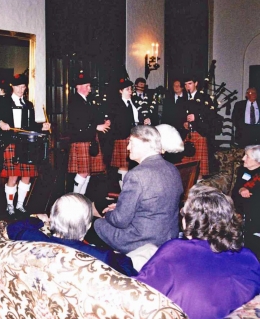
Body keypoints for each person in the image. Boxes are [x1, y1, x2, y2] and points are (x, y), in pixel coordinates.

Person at [135, 186, 260, 319]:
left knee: (139, 254)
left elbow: (136, 295)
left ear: (189, 221)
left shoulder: (175, 251)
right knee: (148, 249)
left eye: (184, 213)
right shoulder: (249, 257)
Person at [93, 125, 183, 254]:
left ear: (145, 145)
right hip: (168, 237)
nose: (128, 147)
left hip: (141, 241)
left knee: (97, 224)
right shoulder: (172, 168)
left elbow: (120, 221)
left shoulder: (136, 175)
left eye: (131, 143)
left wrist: (106, 214)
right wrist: (119, 207)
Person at [4, 193, 137, 276]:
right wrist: (119, 256)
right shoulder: (101, 255)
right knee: (148, 251)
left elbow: (11, 228)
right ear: (88, 226)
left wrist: (39, 220)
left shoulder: (31, 237)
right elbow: (128, 274)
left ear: (52, 219)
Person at [0, 74, 51, 217]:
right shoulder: (3, 102)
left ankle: (20, 205)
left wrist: (42, 127)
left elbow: (32, 126)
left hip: (26, 144)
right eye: (18, 87)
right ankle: (10, 206)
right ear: (12, 87)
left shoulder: (28, 105)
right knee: (13, 176)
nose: (21, 90)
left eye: (23, 87)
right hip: (10, 143)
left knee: (27, 176)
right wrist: (0, 123)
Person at [68, 71, 110, 195]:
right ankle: (75, 199)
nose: (90, 89)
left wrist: (104, 121)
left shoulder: (87, 101)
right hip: (81, 140)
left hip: (89, 139)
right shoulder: (74, 101)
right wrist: (97, 127)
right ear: (79, 87)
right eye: (87, 86)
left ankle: (82, 198)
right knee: (83, 172)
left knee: (88, 173)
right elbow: (78, 124)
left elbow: (92, 118)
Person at [109, 79, 150, 188]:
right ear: (120, 91)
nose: (130, 91)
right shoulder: (116, 105)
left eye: (131, 89)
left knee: (134, 164)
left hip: (135, 136)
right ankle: (123, 190)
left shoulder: (134, 101)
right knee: (123, 166)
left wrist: (146, 120)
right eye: (127, 89)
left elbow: (141, 114)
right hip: (123, 137)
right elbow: (114, 123)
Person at [179, 74, 216, 178]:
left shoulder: (205, 97)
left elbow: (211, 116)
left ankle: (199, 185)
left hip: (200, 132)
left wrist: (197, 118)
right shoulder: (183, 99)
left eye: (190, 84)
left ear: (196, 84)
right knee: (186, 164)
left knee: (199, 166)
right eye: (185, 84)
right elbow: (179, 115)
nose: (187, 87)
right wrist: (183, 123)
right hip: (187, 134)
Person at [232, 145, 260, 256]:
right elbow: (236, 189)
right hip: (242, 209)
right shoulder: (243, 170)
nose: (243, 158)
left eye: (247, 156)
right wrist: (241, 189)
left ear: (258, 161)